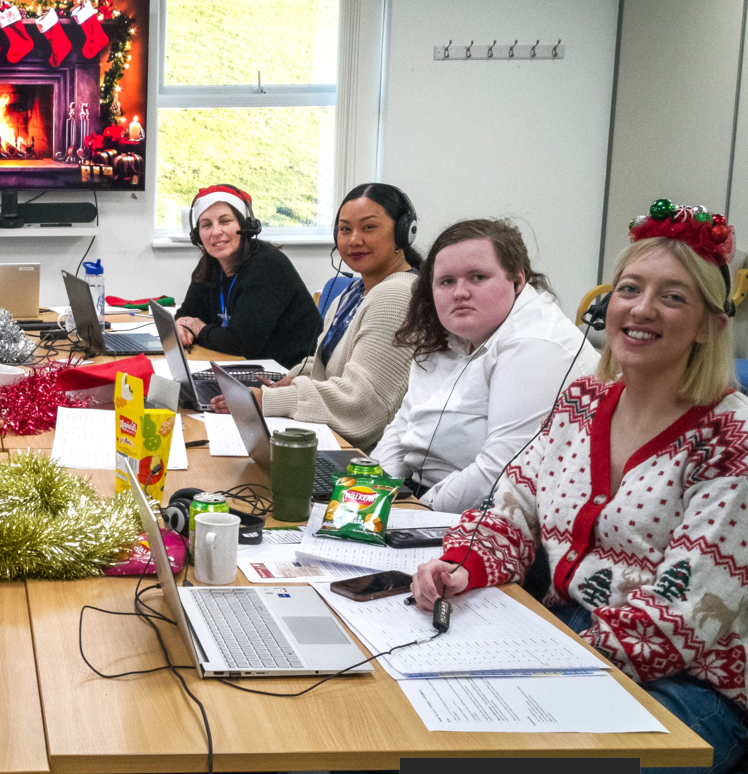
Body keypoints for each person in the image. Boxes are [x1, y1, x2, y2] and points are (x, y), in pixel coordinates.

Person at [413, 201, 748, 774]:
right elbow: (511, 507)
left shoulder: (730, 438)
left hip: (689, 686)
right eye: (629, 289)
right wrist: (465, 565)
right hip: (567, 637)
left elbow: (687, 615)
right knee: (418, 723)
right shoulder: (583, 403)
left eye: (673, 296)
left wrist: (541, 658)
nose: (641, 309)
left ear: (710, 326)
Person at [374, 219, 599, 513]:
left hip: (487, 519)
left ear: (517, 281)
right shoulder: (453, 332)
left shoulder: (536, 344)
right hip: (424, 500)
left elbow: (499, 474)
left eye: (477, 277)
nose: (460, 292)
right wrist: (369, 491)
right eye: (447, 281)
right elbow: (404, 427)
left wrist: (411, 512)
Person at [211, 182, 420, 449]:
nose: (354, 239)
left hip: (361, 460)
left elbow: (364, 407)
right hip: (334, 439)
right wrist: (293, 378)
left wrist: (267, 401)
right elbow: (331, 363)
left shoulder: (397, 295)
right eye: (345, 229)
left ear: (403, 233)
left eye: (369, 227)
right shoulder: (356, 291)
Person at [173, 185, 321, 363]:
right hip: (244, 365)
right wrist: (183, 327)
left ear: (245, 226)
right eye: (206, 225)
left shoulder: (267, 266)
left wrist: (200, 329)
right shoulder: (210, 264)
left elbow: (242, 342)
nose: (216, 231)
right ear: (197, 235)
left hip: (289, 374)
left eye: (225, 221)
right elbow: (187, 313)